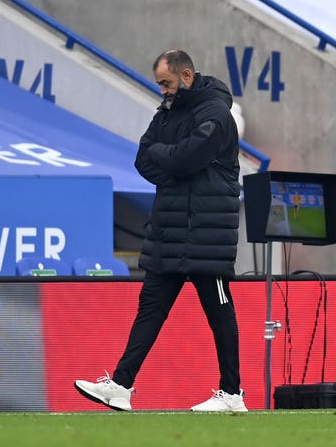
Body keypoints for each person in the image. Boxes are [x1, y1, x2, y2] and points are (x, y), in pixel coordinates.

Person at [74, 50, 246, 412]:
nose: (162, 91)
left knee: (219, 311)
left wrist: (171, 160)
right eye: (159, 85)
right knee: (150, 309)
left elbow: (184, 157)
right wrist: (174, 165)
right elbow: (143, 156)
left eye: (166, 83)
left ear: (186, 76)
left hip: (205, 233)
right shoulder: (167, 112)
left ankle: (232, 394)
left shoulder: (216, 114)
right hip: (170, 229)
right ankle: (121, 385)